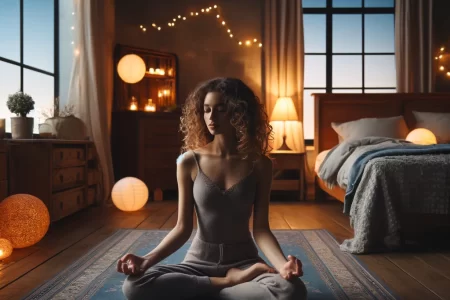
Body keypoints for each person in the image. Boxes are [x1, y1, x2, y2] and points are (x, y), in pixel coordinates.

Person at [118, 77, 307, 300]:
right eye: (206, 110)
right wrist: (146, 260)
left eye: (220, 109)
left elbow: (261, 229)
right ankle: (227, 285)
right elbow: (182, 228)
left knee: (292, 291)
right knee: (134, 286)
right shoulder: (189, 161)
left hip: (245, 262)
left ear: (239, 113)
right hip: (198, 263)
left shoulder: (260, 164)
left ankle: (206, 291)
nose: (211, 117)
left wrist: (283, 265)